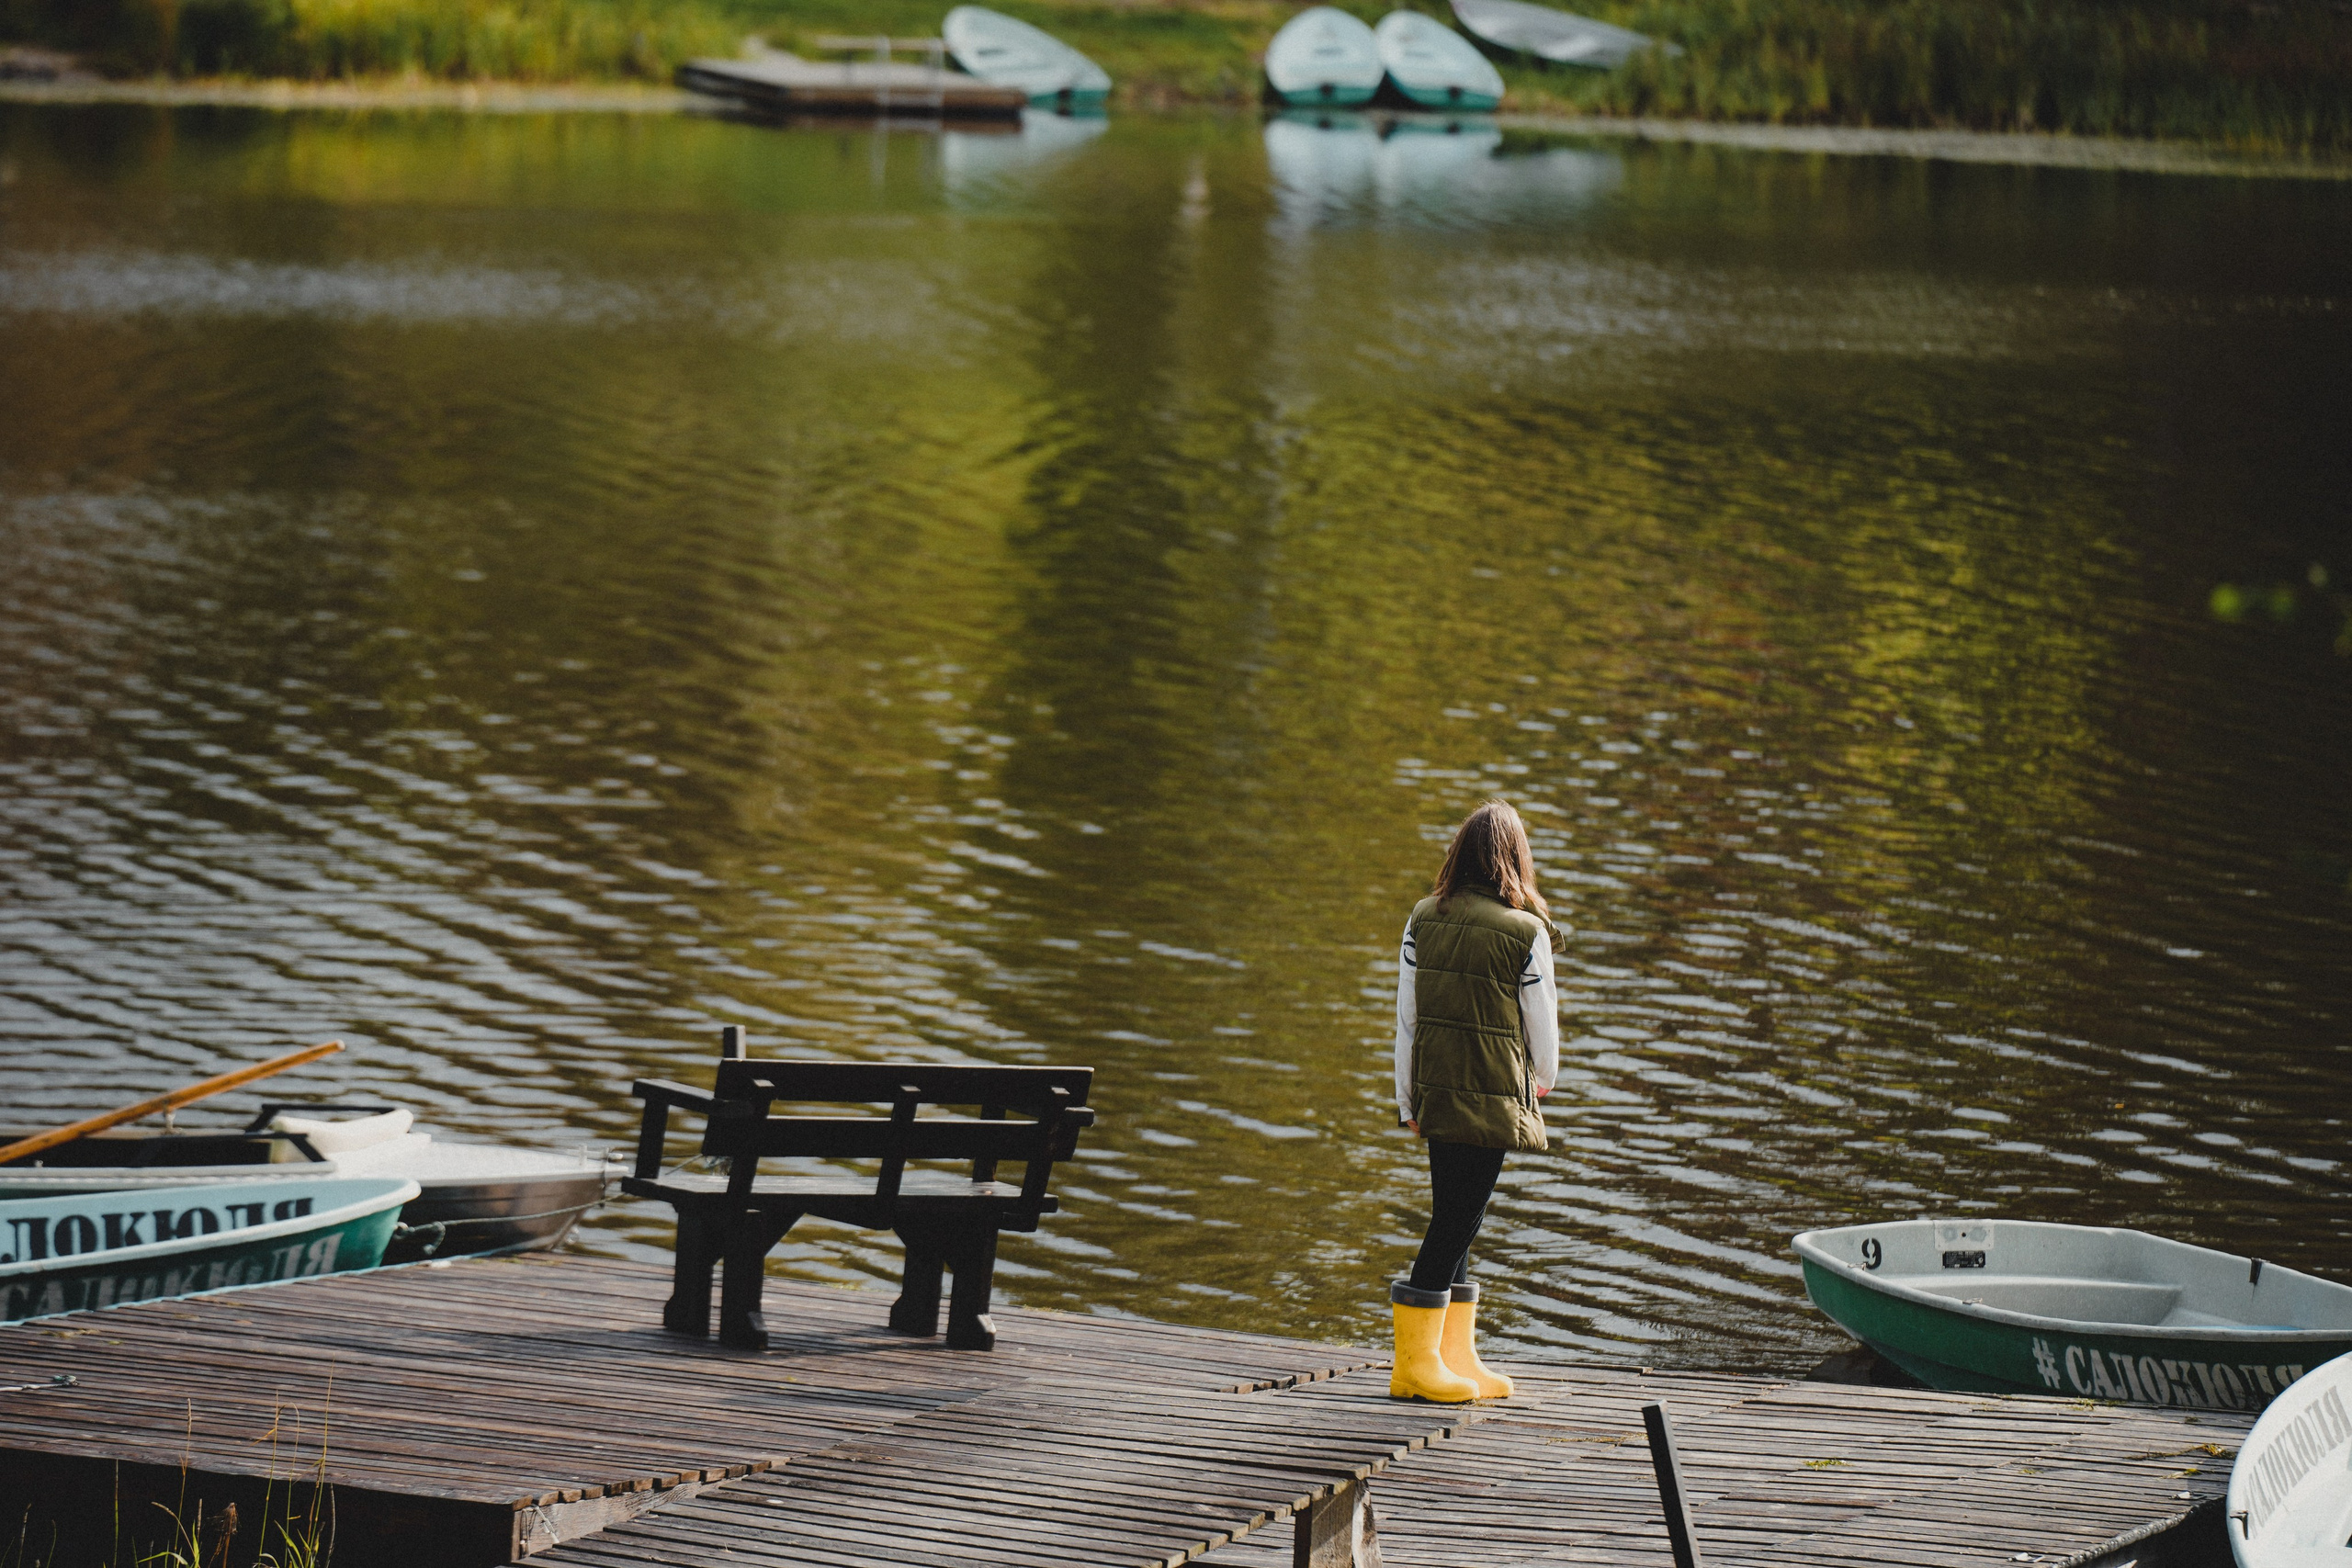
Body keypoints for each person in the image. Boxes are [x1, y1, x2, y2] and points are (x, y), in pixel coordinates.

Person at [1388, 797, 1562, 1403]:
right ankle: (1413, 1365)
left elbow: (1406, 1018)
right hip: (1490, 1098)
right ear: (1515, 858)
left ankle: (1452, 1356)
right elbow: (1544, 1030)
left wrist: (1405, 1098)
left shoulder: (1421, 916)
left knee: (1455, 1214)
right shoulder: (1525, 931)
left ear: (1459, 854)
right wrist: (1543, 1080)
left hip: (1435, 1090)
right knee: (1458, 1219)